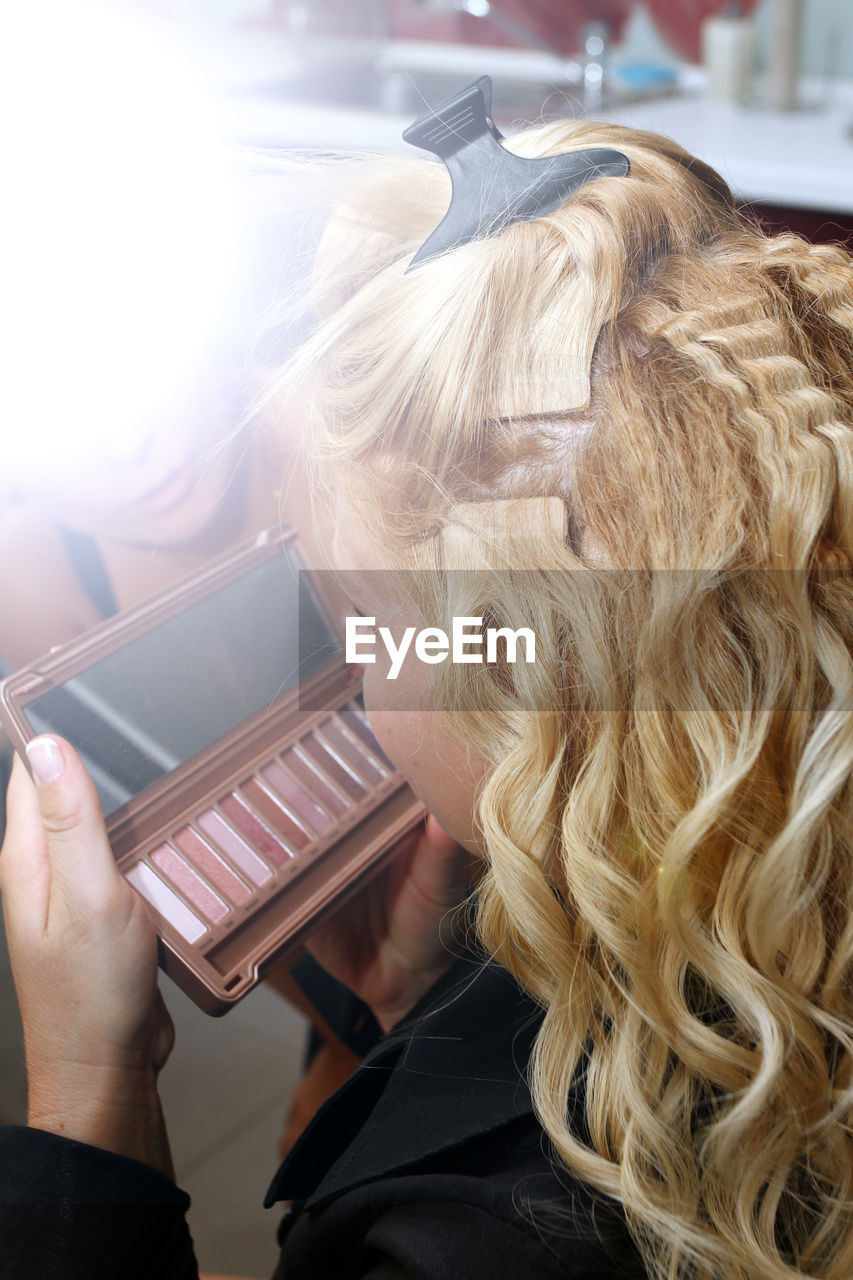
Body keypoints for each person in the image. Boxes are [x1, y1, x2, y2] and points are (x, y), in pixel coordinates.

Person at [2, 92, 853, 1280]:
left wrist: (91, 1097)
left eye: (358, 622)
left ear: (528, 659)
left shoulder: (453, 1244)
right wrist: (404, 1028)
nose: (355, 675)